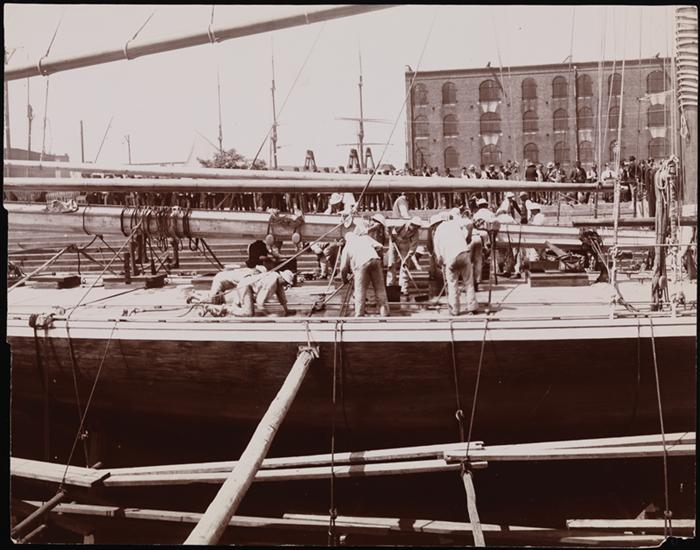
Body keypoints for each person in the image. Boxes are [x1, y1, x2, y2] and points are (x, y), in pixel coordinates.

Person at [432, 214, 478, 315]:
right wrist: (468, 238)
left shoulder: (437, 233)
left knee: (452, 284)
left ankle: (454, 310)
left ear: (435, 225)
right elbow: (469, 224)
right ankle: (472, 307)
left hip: (450, 259)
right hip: (463, 253)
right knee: (468, 282)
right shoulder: (454, 223)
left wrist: (442, 264)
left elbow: (438, 257)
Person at [339, 229, 390, 317]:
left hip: (361, 265)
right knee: (380, 289)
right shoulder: (365, 238)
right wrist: (374, 253)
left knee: (360, 290)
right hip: (375, 260)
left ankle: (359, 314)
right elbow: (380, 246)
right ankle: (385, 313)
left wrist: (344, 280)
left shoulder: (347, 247)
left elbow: (343, 268)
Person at [388, 216, 422, 295]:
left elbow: (413, 246)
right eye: (414, 225)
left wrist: (407, 258)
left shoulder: (415, 233)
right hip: (394, 241)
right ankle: (390, 285)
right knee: (391, 264)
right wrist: (391, 235)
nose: (414, 228)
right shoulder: (401, 224)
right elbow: (389, 228)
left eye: (417, 226)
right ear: (411, 223)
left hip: (405, 243)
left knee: (405, 266)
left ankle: (403, 288)